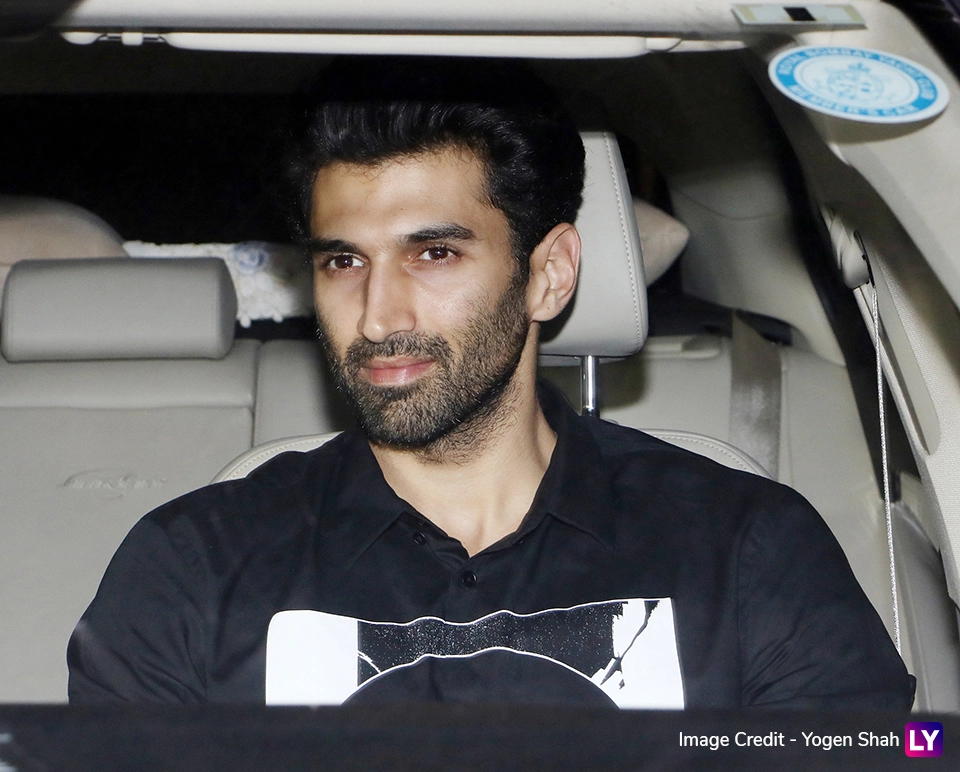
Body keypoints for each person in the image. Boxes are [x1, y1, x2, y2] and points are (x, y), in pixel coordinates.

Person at [68, 57, 912, 709]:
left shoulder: (744, 547)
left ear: (549, 274)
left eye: (435, 253)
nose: (377, 317)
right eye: (343, 262)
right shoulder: (193, 566)